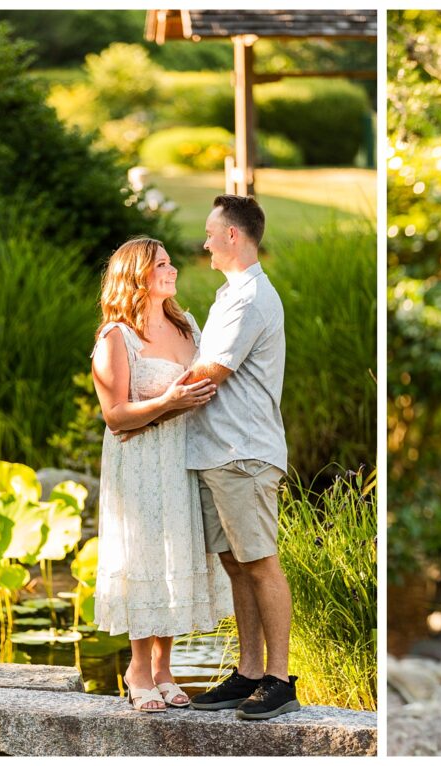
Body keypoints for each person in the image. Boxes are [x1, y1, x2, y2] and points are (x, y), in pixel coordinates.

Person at [91, 237, 221, 712]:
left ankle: (166, 669)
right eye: (161, 264)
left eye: (170, 262)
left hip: (183, 457)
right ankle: (138, 669)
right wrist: (167, 402)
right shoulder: (116, 336)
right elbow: (115, 415)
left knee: (173, 556)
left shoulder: (187, 326)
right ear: (137, 275)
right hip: (140, 461)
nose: (172, 269)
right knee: (144, 557)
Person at [185, 195, 298, 721]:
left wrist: (148, 390)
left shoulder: (252, 297)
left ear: (234, 236)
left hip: (243, 453)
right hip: (217, 452)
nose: (204, 242)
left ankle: (280, 679)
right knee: (236, 565)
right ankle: (249, 672)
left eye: (211, 233)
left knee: (260, 563)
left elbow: (211, 370)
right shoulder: (231, 295)